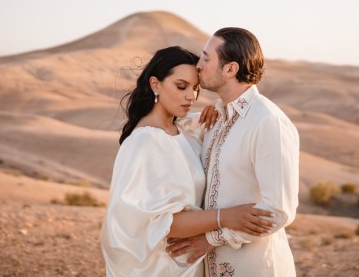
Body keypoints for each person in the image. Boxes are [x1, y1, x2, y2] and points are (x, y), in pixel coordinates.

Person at [100, 46, 274, 277]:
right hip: (165, 265)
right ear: (155, 84)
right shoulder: (144, 143)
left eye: (195, 88)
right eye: (181, 87)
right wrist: (227, 217)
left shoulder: (182, 131)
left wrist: (219, 107)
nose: (190, 96)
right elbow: (155, 224)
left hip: (192, 262)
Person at [166, 29, 300, 276]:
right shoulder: (216, 118)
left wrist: (211, 238)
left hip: (255, 267)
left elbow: (278, 210)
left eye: (206, 58)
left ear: (230, 70)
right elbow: (171, 128)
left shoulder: (267, 121)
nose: (199, 65)